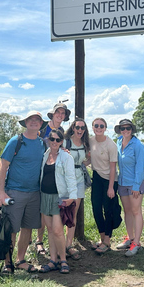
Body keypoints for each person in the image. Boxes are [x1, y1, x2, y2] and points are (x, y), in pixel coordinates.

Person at [0, 110, 45, 275]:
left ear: (41, 124)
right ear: (25, 122)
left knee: (27, 228)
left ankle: (20, 260)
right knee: (11, 229)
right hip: (14, 192)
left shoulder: (42, 144)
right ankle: (7, 263)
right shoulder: (15, 141)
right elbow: (2, 166)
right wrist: (1, 192)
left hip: (34, 193)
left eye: (37, 119)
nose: (34, 121)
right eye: (30, 119)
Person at [34, 103, 71, 255]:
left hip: (55, 172)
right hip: (40, 168)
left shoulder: (63, 132)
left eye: (63, 113)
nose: (60, 115)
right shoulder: (42, 129)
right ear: (53, 113)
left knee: (51, 213)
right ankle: (39, 240)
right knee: (42, 211)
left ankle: (56, 251)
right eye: (58, 112)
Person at [38, 129, 77, 274]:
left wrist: (72, 197)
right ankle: (53, 260)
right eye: (52, 139)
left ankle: (63, 260)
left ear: (61, 142)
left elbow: (71, 178)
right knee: (50, 230)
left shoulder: (66, 157)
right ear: (48, 140)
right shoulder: (45, 154)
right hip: (45, 196)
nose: (54, 142)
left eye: (57, 140)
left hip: (59, 197)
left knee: (58, 231)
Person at [114, 119, 144, 257]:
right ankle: (130, 237)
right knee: (127, 211)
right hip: (122, 182)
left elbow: (139, 166)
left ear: (132, 129)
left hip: (135, 182)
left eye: (128, 128)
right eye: (122, 128)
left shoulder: (137, 145)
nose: (125, 130)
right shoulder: (119, 141)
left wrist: (136, 186)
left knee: (136, 211)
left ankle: (137, 243)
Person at [89, 118, 121, 255]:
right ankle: (102, 238)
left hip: (110, 179)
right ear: (92, 127)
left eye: (101, 126)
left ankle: (107, 240)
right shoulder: (90, 140)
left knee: (108, 210)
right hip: (96, 177)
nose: (99, 127)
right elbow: (91, 156)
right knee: (96, 208)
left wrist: (111, 187)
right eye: (96, 125)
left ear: (105, 128)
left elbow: (113, 168)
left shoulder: (111, 145)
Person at [62, 118, 90, 260]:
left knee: (72, 213)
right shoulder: (66, 141)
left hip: (79, 180)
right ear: (73, 127)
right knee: (61, 212)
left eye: (82, 128)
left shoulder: (85, 143)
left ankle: (68, 245)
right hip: (65, 181)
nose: (80, 130)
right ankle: (59, 245)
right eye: (77, 127)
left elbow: (87, 159)